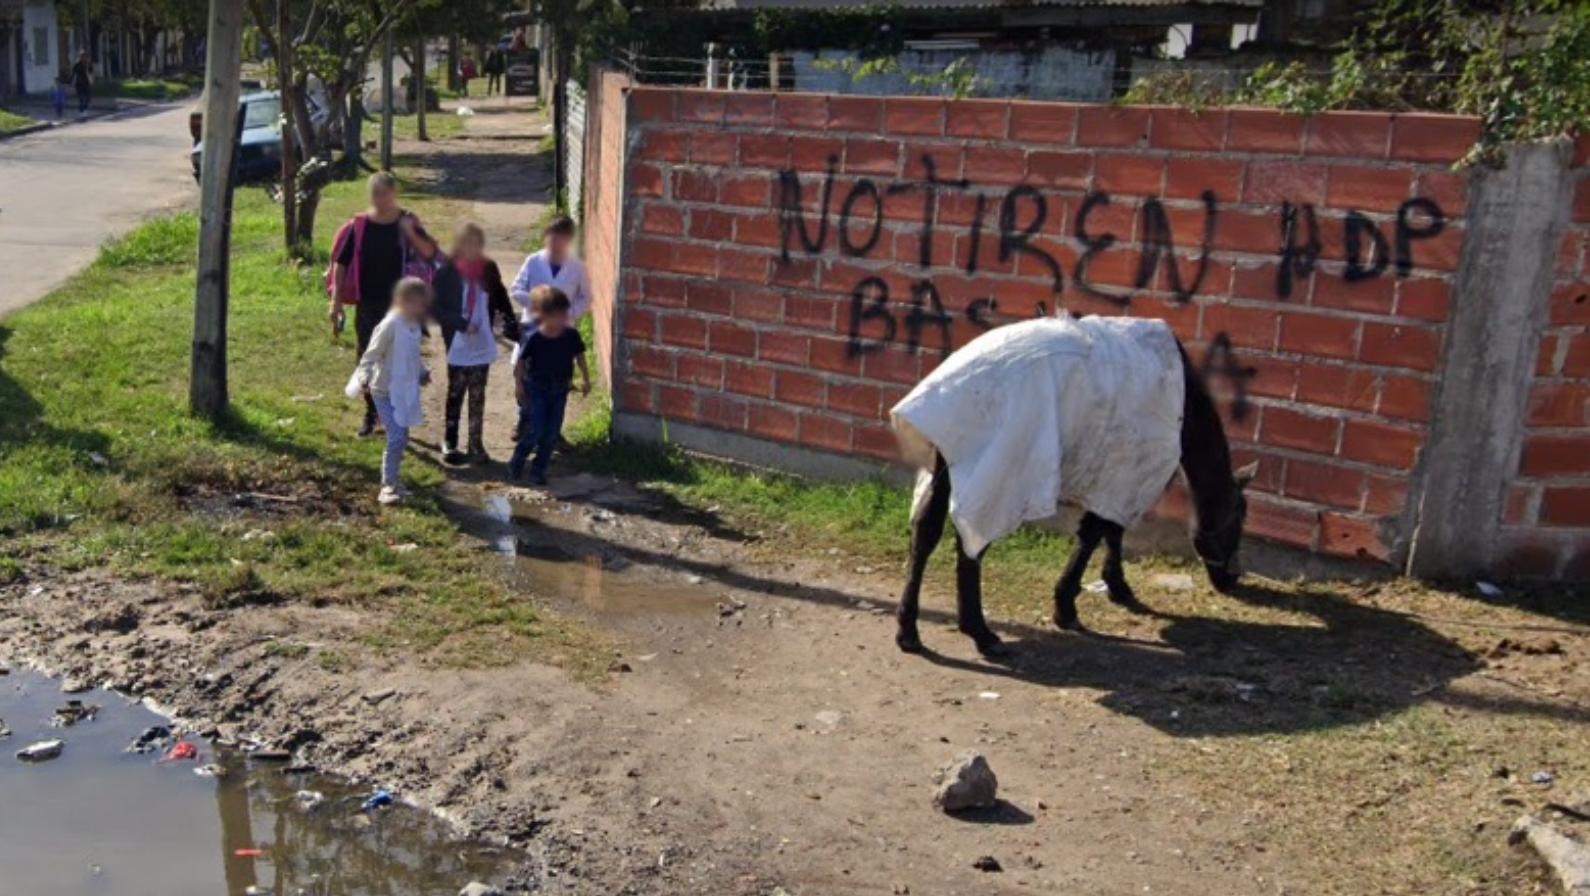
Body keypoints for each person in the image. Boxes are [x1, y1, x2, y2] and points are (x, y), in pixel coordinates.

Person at [328, 172, 438, 438]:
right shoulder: (360, 226)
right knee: (368, 356)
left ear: (394, 194)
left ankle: (399, 414)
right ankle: (372, 413)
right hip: (368, 303)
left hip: (403, 306)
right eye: (375, 194)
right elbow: (340, 264)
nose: (380, 199)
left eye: (384, 193)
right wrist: (336, 302)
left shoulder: (407, 222)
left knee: (402, 359)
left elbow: (430, 254)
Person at [431, 222, 516, 465]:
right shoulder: (447, 271)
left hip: (481, 338)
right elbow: (436, 306)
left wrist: (510, 321)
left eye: (476, 244)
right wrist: (459, 323)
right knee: (456, 390)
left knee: (478, 392)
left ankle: (476, 443)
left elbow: (500, 296)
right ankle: (450, 441)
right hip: (458, 339)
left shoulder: (488, 268)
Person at [346, 278, 434, 506]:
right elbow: (371, 354)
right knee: (396, 437)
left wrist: (422, 372)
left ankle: (395, 481)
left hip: (403, 391)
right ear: (404, 301)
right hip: (383, 391)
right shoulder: (390, 325)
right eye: (418, 303)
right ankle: (387, 486)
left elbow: (412, 355)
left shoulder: (413, 325)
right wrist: (363, 377)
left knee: (402, 438)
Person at [508, 215, 591, 440]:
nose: (556, 244)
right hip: (534, 328)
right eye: (552, 238)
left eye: (561, 239)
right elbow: (516, 289)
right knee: (526, 375)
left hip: (561, 332)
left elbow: (586, 297)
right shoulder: (533, 261)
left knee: (557, 378)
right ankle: (524, 419)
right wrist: (537, 305)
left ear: (569, 240)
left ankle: (554, 431)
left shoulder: (577, 267)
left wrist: (568, 314)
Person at [509, 287, 590, 485]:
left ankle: (539, 470)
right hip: (536, 387)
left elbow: (579, 356)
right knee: (536, 429)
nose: (562, 318)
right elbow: (520, 362)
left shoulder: (571, 335)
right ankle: (517, 462)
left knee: (552, 432)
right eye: (557, 315)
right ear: (542, 315)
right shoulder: (534, 337)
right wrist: (519, 385)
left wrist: (586, 379)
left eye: (564, 313)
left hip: (560, 388)